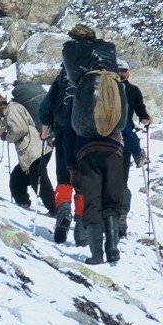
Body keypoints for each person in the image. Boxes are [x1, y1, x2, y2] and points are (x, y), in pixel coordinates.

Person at [55, 24, 124, 263]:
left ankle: (97, 255)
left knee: (92, 202)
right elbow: (125, 124)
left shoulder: (77, 96)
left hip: (87, 154)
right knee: (111, 202)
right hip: (114, 151)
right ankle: (113, 249)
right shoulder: (114, 86)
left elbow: (69, 136)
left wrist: (72, 168)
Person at [0, 93, 55, 214]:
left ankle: (54, 209)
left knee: (39, 181)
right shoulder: (13, 109)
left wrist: (7, 137)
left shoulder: (12, 109)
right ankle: (23, 203)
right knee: (17, 178)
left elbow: (20, 129)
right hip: (35, 151)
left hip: (34, 150)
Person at [117, 58, 152, 238]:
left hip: (121, 139)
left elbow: (140, 109)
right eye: (118, 70)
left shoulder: (132, 91)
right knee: (121, 181)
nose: (120, 73)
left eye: (123, 70)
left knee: (120, 180)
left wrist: (145, 117)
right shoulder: (129, 90)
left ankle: (118, 218)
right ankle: (119, 217)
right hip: (126, 139)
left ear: (128, 72)